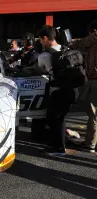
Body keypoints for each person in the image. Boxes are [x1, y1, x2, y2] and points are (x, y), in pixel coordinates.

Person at [36, 25, 76, 156]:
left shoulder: (45, 55)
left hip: (58, 91)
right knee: (60, 118)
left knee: (54, 119)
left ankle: (59, 149)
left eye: (41, 40)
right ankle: (58, 145)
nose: (40, 42)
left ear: (46, 38)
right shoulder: (67, 49)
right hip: (72, 89)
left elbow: (40, 69)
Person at [71, 20, 97, 153]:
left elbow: (81, 43)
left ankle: (91, 143)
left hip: (96, 80)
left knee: (94, 114)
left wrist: (73, 42)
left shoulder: (95, 36)